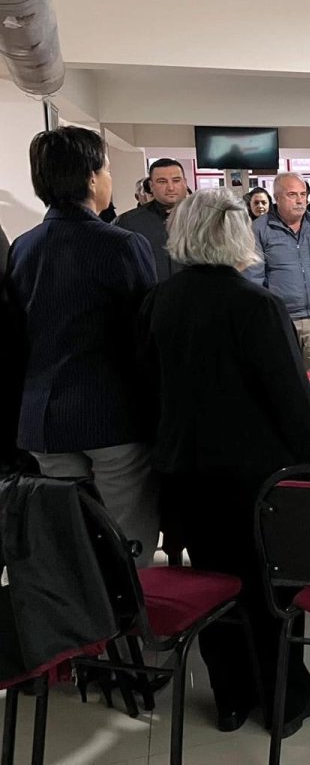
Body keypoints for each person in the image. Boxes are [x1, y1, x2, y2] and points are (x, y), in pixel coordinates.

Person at [138, 188, 310, 736]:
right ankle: (284, 699)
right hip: (255, 476)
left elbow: (147, 387)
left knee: (213, 583)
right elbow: (291, 401)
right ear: (238, 236)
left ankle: (230, 697)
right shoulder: (256, 304)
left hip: (185, 470)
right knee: (271, 588)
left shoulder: (159, 300)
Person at [7, 125, 159, 564]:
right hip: (113, 413)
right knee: (128, 542)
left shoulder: (23, 247)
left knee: (69, 544)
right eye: (107, 169)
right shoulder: (122, 244)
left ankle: (85, 611)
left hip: (43, 418)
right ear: (92, 178)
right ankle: (131, 610)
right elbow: (143, 331)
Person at [244, 173, 310, 373]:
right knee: (281, 376)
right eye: (292, 194)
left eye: (303, 194)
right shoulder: (258, 229)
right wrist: (260, 318)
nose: (300, 200)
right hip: (280, 319)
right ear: (277, 198)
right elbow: (252, 279)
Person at [116, 157, 189, 282]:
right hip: (149, 293)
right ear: (151, 186)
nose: (171, 188)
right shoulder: (128, 223)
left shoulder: (204, 218)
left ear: (185, 182)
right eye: (162, 182)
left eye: (176, 180)